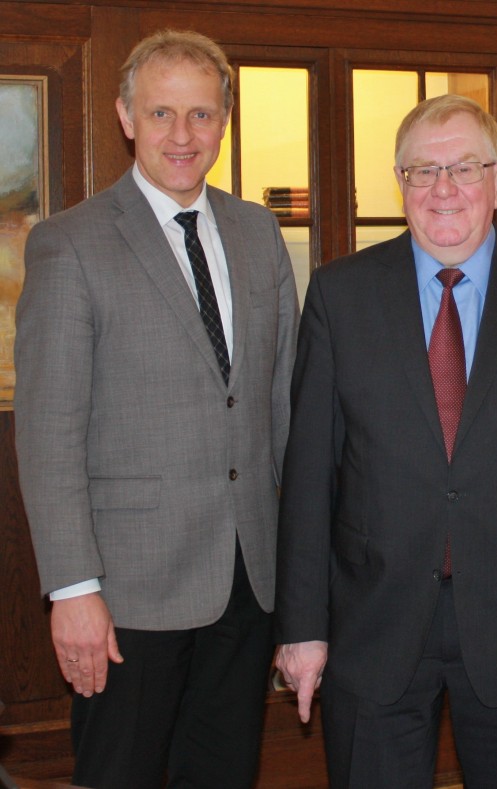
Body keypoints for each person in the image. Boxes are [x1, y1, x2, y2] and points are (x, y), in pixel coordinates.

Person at [274, 94, 497, 787]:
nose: (443, 190)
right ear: (398, 182)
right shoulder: (340, 296)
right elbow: (310, 472)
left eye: (464, 167)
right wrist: (302, 625)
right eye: (421, 172)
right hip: (373, 622)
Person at [14, 29, 299, 789]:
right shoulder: (69, 245)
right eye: (163, 113)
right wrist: (73, 591)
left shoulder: (259, 233)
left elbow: (282, 412)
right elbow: (49, 436)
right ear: (125, 116)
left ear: (225, 120)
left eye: (202, 115)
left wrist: (300, 582)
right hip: (128, 593)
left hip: (247, 581)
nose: (183, 135)